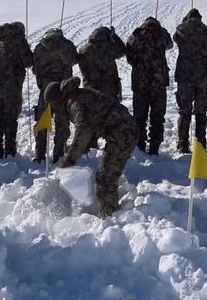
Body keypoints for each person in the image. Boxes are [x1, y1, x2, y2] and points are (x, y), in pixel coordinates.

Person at [44, 77, 138, 218]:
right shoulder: (75, 96)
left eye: (52, 104)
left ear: (57, 99)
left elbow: (84, 129)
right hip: (119, 132)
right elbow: (93, 121)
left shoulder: (73, 102)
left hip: (123, 134)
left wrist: (70, 159)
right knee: (105, 177)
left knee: (105, 179)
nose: (53, 109)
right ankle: (110, 215)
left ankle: (110, 219)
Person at [125, 17, 172, 155]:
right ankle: (154, 147)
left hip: (140, 83)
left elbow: (129, 54)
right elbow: (170, 44)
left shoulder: (137, 34)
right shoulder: (162, 34)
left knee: (139, 117)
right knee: (157, 117)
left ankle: (139, 146)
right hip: (159, 83)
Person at [173, 8, 207, 153]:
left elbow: (175, 38)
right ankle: (200, 145)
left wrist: (184, 24)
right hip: (203, 76)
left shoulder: (181, 32)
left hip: (184, 77)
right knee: (201, 112)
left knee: (184, 112)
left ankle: (182, 145)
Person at [32, 28, 78, 163]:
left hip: (46, 90)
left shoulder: (40, 47)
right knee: (62, 122)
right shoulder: (68, 45)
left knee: (42, 121)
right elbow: (75, 60)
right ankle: (59, 154)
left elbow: (35, 68)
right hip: (63, 89)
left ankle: (39, 155)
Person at [0, 22, 33, 159]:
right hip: (12, 85)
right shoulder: (19, 40)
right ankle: (9, 151)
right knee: (11, 118)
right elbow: (28, 62)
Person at [78, 26, 126, 101]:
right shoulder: (109, 47)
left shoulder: (83, 49)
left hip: (90, 89)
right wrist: (114, 35)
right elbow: (122, 50)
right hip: (109, 89)